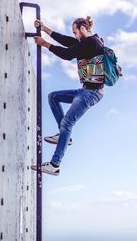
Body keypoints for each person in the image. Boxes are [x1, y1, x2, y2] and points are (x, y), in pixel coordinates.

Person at [31, 16, 104, 176]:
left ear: (83, 29)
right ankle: (64, 136)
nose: (75, 36)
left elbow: (67, 54)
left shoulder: (91, 43)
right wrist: (44, 28)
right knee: (53, 97)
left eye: (75, 32)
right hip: (85, 91)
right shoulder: (86, 42)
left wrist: (45, 44)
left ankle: (55, 165)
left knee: (67, 123)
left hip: (91, 94)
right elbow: (65, 41)